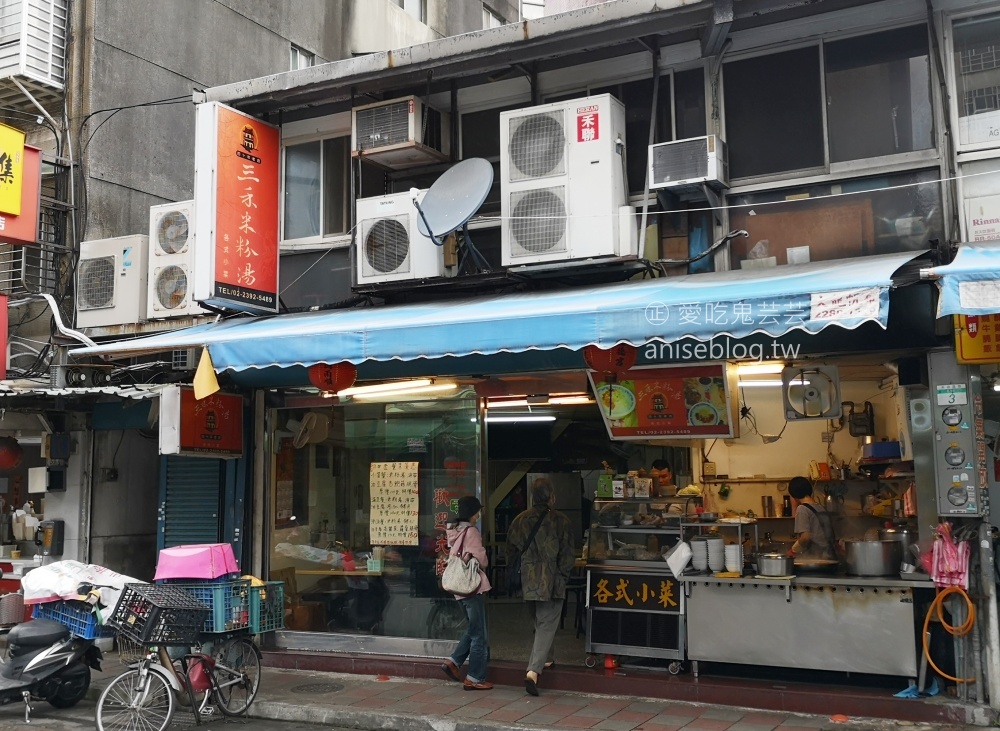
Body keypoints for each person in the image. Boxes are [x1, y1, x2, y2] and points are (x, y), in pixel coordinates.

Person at [506, 477, 575, 696]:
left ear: (532, 498)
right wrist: (563, 575)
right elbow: (567, 555)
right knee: (546, 623)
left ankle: (547, 659)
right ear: (552, 497)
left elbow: (510, 551)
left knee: (540, 622)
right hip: (551, 581)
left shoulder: (519, 520)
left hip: (527, 581)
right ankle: (533, 672)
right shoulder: (561, 521)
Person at [440, 496, 493, 691]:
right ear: (472, 513)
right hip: (472, 588)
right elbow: (482, 560)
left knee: (473, 629)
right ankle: (475, 677)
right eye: (477, 511)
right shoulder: (471, 532)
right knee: (479, 635)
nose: (479, 514)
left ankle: (453, 661)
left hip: (459, 589)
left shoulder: (455, 531)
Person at [788, 476, 836, 559]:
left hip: (816, 557)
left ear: (794, 495)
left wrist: (793, 550)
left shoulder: (802, 509)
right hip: (829, 555)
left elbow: (806, 537)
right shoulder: (820, 507)